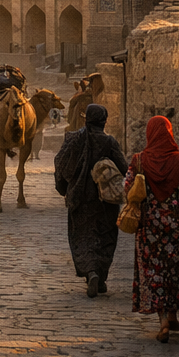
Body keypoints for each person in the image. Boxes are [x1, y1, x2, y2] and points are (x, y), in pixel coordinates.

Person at [125, 115, 179, 343]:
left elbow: (126, 188)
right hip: (178, 227)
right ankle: (172, 314)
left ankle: (164, 320)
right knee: (176, 268)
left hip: (149, 227)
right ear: (169, 133)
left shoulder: (138, 161)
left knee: (155, 270)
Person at [53, 104, 127, 299]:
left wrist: (63, 188)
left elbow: (60, 164)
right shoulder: (109, 142)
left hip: (80, 199)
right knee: (106, 236)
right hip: (106, 201)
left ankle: (90, 272)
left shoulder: (73, 140)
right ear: (103, 120)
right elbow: (125, 167)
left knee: (82, 237)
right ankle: (100, 277)